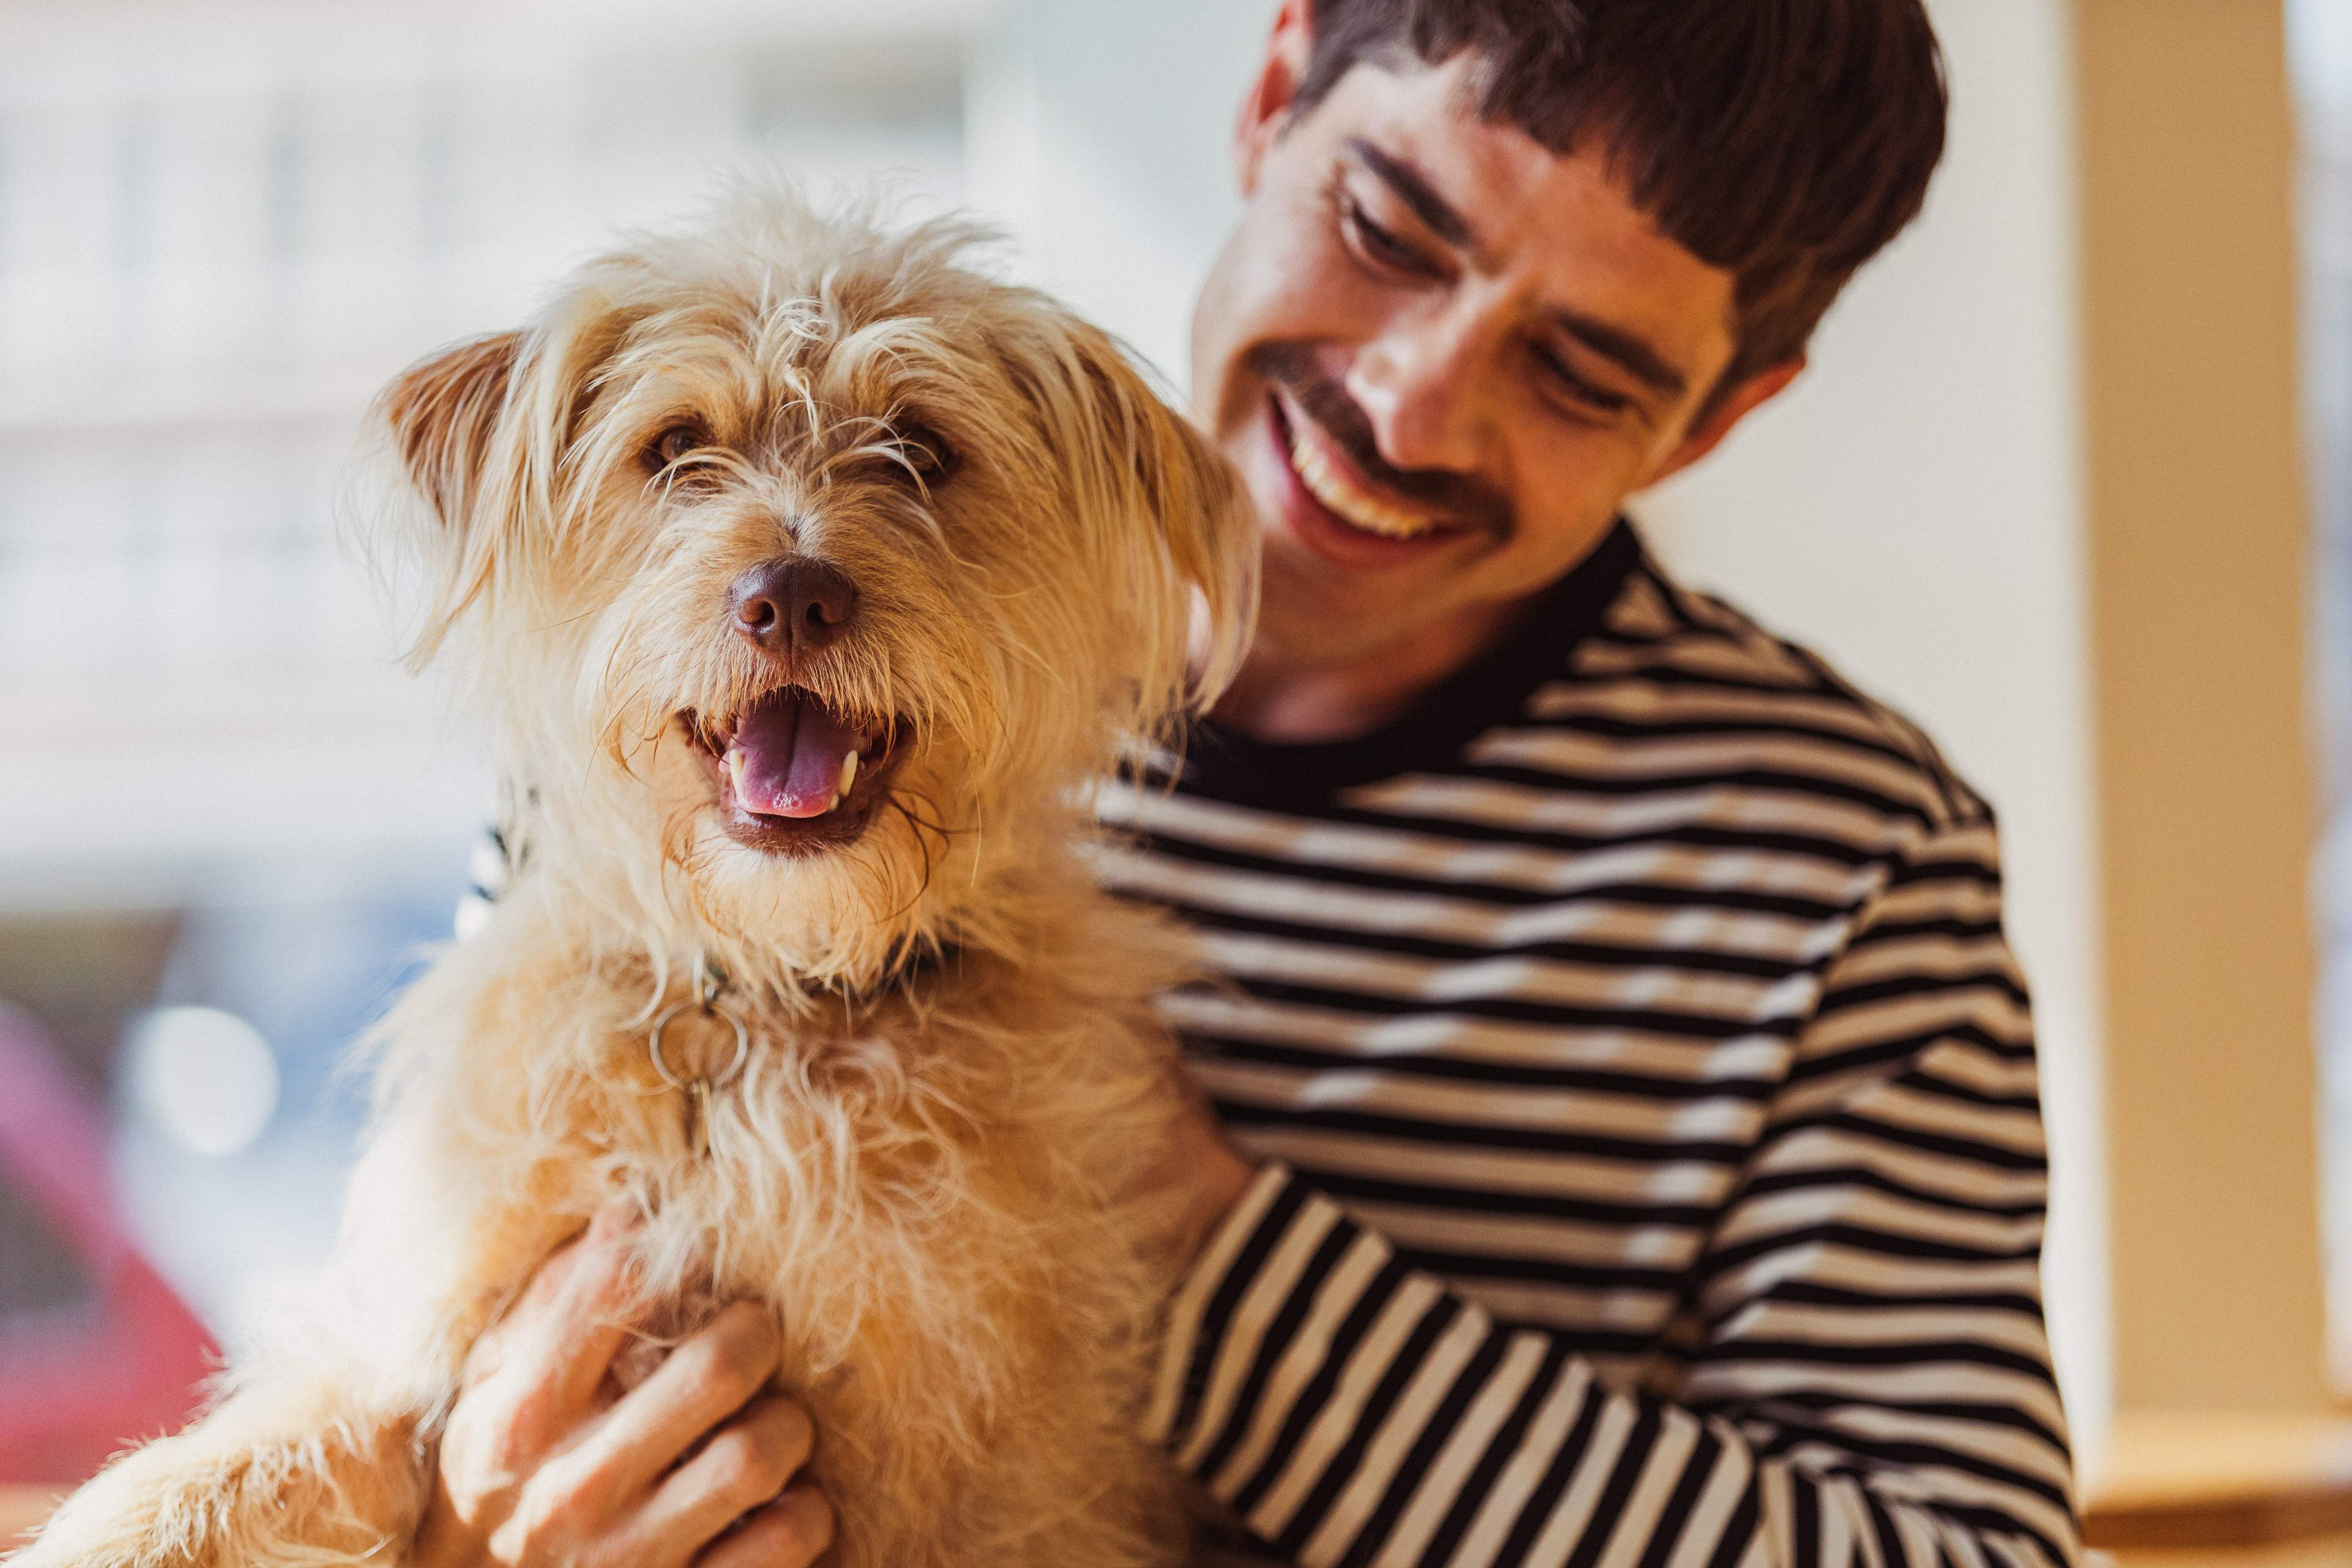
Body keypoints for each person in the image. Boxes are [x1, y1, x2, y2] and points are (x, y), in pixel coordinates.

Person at [416, 2, 2078, 1566]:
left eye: (1580, 371)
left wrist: (1205, 1249)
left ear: (1718, 417)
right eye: (1388, 231)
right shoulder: (717, 723)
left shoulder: (1852, 868)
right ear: (1278, 87)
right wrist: (480, 1502)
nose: (1409, 404)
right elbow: (481, 1370)